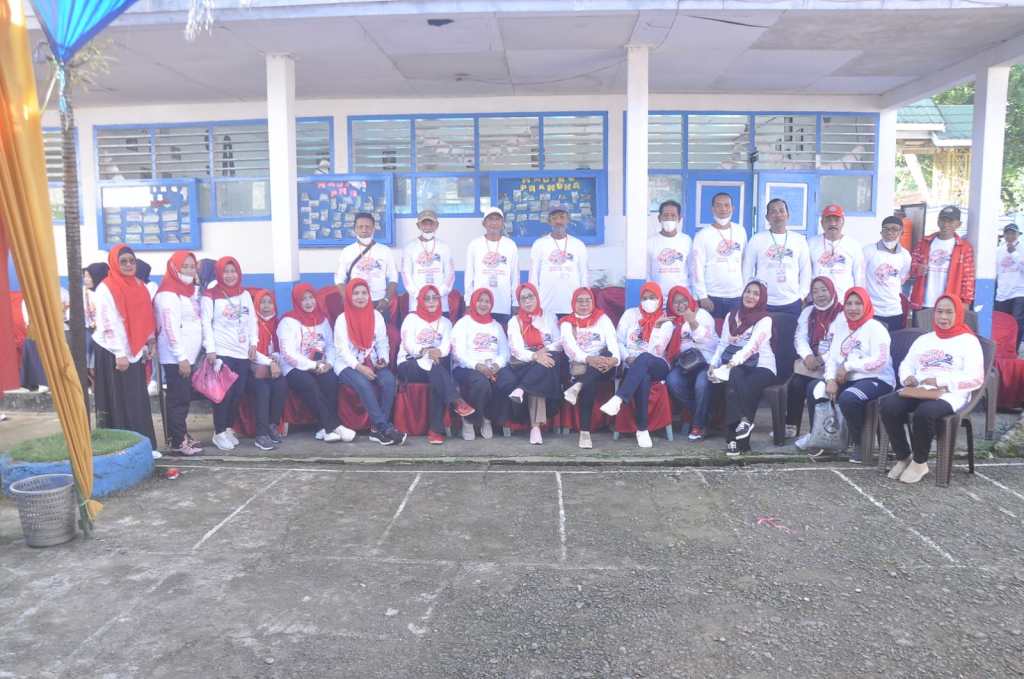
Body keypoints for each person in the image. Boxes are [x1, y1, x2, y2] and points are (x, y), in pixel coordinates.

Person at [880, 294, 984, 484]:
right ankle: (904, 457)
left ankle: (920, 462)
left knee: (925, 412)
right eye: (939, 311)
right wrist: (907, 377)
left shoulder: (968, 341)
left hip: (950, 394)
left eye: (949, 312)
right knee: (888, 405)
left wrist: (940, 381)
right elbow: (906, 364)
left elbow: (975, 378)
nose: (943, 317)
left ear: (958, 314)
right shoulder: (924, 339)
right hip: (920, 389)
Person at [800, 287, 895, 462]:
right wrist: (830, 379)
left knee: (849, 398)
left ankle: (859, 443)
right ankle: (823, 439)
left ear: (866, 305)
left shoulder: (875, 328)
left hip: (877, 379)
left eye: (858, 303)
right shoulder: (841, 326)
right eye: (849, 304)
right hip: (848, 378)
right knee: (815, 388)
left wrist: (848, 366)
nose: (853, 308)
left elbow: (880, 361)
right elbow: (832, 357)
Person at [91, 244, 157, 448]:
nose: (129, 265)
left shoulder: (139, 285)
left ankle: (142, 444)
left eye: (132, 261)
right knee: (118, 399)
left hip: (135, 349)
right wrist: (120, 353)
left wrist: (150, 340)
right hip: (112, 351)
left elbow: (145, 315)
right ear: (114, 263)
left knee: (136, 398)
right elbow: (108, 323)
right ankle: (120, 446)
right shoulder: (106, 288)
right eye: (123, 262)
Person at [277, 283, 356, 443]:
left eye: (311, 297)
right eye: (303, 299)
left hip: (320, 364)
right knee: (309, 384)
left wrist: (329, 364)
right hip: (294, 367)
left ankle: (323, 428)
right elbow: (288, 353)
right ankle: (334, 426)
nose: (308, 302)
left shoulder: (322, 319)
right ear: (297, 301)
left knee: (331, 380)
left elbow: (331, 346)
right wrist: (313, 365)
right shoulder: (288, 321)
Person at [397, 285, 476, 444]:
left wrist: (438, 352)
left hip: (434, 365)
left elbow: (447, 345)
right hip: (409, 364)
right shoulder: (411, 319)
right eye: (427, 298)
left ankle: (435, 431)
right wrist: (426, 351)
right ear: (420, 301)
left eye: (435, 298)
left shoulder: (445, 322)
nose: (431, 301)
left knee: (436, 378)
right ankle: (455, 401)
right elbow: (408, 344)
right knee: (437, 371)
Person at [600, 282, 674, 449]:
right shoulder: (630, 314)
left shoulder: (666, 321)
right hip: (632, 365)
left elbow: (655, 351)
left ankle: (618, 398)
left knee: (645, 358)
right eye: (644, 298)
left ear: (660, 299)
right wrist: (627, 358)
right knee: (643, 378)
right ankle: (642, 430)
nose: (648, 301)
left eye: (652, 297)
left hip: (658, 364)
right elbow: (618, 340)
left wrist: (656, 327)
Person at [333, 278, 405, 446]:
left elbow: (382, 342)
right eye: (356, 293)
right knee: (363, 384)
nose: (360, 297)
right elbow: (342, 350)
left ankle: (376, 430)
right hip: (347, 365)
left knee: (388, 381)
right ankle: (384, 428)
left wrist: (383, 359)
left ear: (369, 295)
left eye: (364, 293)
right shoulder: (342, 319)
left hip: (372, 362)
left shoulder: (376, 316)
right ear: (349, 296)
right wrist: (360, 368)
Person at [708, 280, 775, 456]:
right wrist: (713, 364)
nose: (750, 296)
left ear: (762, 298)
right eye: (748, 291)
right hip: (738, 366)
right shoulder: (732, 315)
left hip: (762, 366)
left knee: (737, 380)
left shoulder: (765, 319)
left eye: (756, 294)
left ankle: (735, 440)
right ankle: (740, 431)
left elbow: (752, 347)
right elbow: (723, 344)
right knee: (735, 378)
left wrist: (731, 363)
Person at [496, 283, 565, 445]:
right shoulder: (515, 321)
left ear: (537, 297)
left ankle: (522, 391)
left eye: (530, 296)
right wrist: (535, 355)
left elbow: (559, 343)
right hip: (524, 363)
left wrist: (543, 351)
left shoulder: (549, 317)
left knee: (544, 365)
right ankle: (535, 427)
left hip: (546, 358)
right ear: (519, 302)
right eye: (523, 298)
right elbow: (516, 349)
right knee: (540, 371)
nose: (527, 301)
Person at [200, 257, 257, 451]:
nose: (230, 275)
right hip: (222, 352)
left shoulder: (245, 294)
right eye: (226, 271)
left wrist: (254, 343)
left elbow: (252, 320)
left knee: (238, 393)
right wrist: (210, 349)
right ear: (219, 273)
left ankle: (227, 428)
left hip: (242, 352)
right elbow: (206, 323)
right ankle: (219, 432)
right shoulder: (210, 295)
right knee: (224, 394)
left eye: (233, 271)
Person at [154, 251, 203, 456]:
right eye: (185, 266)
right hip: (176, 357)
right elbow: (170, 328)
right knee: (178, 400)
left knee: (183, 398)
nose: (190, 270)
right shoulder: (168, 294)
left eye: (193, 266)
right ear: (174, 268)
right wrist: (181, 357)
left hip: (187, 356)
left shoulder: (186, 291)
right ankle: (178, 442)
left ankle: (181, 435)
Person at [561, 287, 620, 449]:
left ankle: (578, 387)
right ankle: (585, 433)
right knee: (590, 381)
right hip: (581, 365)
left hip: (604, 366)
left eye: (587, 300)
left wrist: (614, 360)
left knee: (605, 356)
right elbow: (570, 348)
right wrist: (589, 359)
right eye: (580, 301)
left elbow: (613, 343)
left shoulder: (603, 319)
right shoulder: (567, 323)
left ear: (593, 302)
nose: (584, 304)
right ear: (573, 303)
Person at [451, 288, 510, 440]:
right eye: (480, 300)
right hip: (467, 367)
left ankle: (487, 417)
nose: (483, 304)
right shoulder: (463, 323)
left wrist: (496, 365)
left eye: (487, 301)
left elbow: (505, 352)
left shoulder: (496, 326)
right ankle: (469, 420)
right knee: (481, 383)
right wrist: (477, 366)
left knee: (508, 380)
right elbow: (458, 353)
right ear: (473, 302)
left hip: (492, 367)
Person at [787, 276, 842, 439]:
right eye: (815, 291)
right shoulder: (808, 311)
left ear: (832, 290)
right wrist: (808, 356)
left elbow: (841, 343)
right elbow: (800, 337)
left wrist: (822, 359)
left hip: (834, 364)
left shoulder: (842, 313)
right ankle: (791, 426)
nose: (820, 295)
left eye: (824, 290)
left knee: (814, 387)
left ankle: (817, 433)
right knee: (796, 383)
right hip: (812, 364)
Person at [663, 285, 718, 441]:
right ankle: (703, 413)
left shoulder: (702, 315)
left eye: (684, 301)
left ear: (690, 299)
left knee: (701, 383)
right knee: (672, 381)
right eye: (676, 302)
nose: (680, 305)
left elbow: (710, 343)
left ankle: (698, 425)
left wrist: (693, 323)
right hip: (683, 364)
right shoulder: (670, 320)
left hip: (705, 361)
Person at [742, 198, 811, 316]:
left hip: (792, 301)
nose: (778, 215)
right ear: (767, 217)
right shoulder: (757, 239)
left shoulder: (799, 240)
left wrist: (802, 295)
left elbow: (806, 270)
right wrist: (751, 294)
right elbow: (747, 269)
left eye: (781, 211)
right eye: (773, 211)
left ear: (787, 215)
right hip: (763, 302)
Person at [691, 192, 747, 320]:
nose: (723, 209)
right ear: (712, 209)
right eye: (719, 205)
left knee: (734, 331)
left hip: (737, 296)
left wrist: (745, 291)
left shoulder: (740, 231)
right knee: (711, 331)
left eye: (727, 205)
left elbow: (745, 262)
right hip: (712, 296)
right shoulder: (702, 235)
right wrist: (702, 296)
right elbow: (696, 268)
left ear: (733, 208)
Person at [334, 212, 399, 321]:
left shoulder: (385, 251)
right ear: (355, 229)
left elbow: (394, 277)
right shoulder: (347, 251)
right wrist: (348, 298)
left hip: (379, 302)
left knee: (380, 331)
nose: (364, 229)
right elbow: (339, 278)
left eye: (368, 226)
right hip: (356, 302)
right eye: (360, 226)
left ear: (373, 228)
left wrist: (386, 299)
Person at [909, 205, 975, 312]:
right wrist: (918, 268)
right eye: (943, 220)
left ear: (958, 224)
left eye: (950, 221)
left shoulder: (964, 248)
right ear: (938, 221)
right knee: (920, 324)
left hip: (949, 304)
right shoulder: (924, 243)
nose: (945, 224)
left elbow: (968, 278)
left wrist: (966, 301)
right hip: (923, 302)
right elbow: (911, 268)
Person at [248, 289, 288, 451]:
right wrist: (269, 362)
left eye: (269, 302)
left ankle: (272, 424)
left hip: (272, 366)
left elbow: (281, 348)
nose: (266, 306)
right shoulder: (251, 323)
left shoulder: (277, 323)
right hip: (252, 368)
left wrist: (275, 357)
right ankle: (261, 434)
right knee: (263, 388)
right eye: (262, 302)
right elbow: (251, 352)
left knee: (281, 384)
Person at [530, 205, 588, 316]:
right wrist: (534, 303)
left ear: (568, 220)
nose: (558, 221)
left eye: (562, 217)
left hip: (572, 307)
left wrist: (583, 302)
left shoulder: (578, 245)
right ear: (549, 221)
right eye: (554, 218)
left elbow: (584, 275)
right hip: (546, 306)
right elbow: (533, 276)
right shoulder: (539, 244)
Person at [464, 207, 519, 326]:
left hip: (503, 304)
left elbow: (515, 276)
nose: (494, 223)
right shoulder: (474, 244)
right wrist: (468, 301)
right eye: (490, 219)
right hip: (480, 304)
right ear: (484, 223)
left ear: (502, 223)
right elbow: (469, 275)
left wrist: (515, 302)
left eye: (497, 219)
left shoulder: (510, 245)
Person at [402, 209, 455, 316]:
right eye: (424, 223)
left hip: (440, 303)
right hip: (416, 303)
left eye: (431, 223)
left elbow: (450, 273)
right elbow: (405, 274)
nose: (428, 227)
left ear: (437, 225)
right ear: (418, 225)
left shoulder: (444, 247)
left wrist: (438, 294)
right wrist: (418, 295)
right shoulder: (409, 247)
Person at [863, 216, 912, 332]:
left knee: (894, 341)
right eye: (886, 229)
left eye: (894, 229)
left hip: (894, 310)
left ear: (901, 233)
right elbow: (860, 276)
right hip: (873, 310)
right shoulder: (868, 251)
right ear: (881, 232)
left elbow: (901, 278)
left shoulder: (905, 256)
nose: (889, 232)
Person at [808, 204, 865, 300]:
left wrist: (859, 298)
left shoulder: (853, 245)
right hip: (818, 302)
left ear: (843, 222)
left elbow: (859, 276)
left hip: (844, 301)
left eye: (836, 220)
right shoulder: (811, 244)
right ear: (822, 223)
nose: (833, 224)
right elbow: (806, 275)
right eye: (828, 220)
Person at [647, 200, 692, 298]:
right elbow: (647, 273)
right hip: (658, 296)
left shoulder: (686, 240)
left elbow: (692, 270)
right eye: (665, 215)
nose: (669, 218)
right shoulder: (650, 242)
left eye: (673, 215)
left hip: (682, 297)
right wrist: (652, 293)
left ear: (679, 219)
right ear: (659, 218)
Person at [995, 223, 1024, 347]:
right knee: (1002, 322)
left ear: (1018, 234)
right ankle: (1003, 349)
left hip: (1019, 292)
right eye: (1007, 233)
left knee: (1017, 321)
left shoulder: (1022, 248)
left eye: (1013, 233)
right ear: (1004, 235)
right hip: (1002, 293)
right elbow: (995, 271)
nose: (1010, 236)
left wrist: (1014, 254)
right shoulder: (999, 250)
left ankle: (1014, 349)